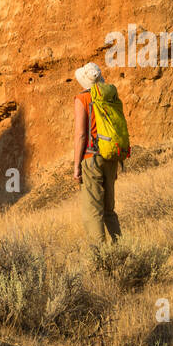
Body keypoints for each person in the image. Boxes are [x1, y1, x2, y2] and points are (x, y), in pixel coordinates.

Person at [73, 61, 121, 249]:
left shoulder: (82, 99)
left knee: (92, 210)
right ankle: (122, 249)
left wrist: (77, 165)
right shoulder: (110, 96)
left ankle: (100, 258)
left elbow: (81, 134)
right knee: (109, 210)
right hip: (111, 155)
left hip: (91, 158)